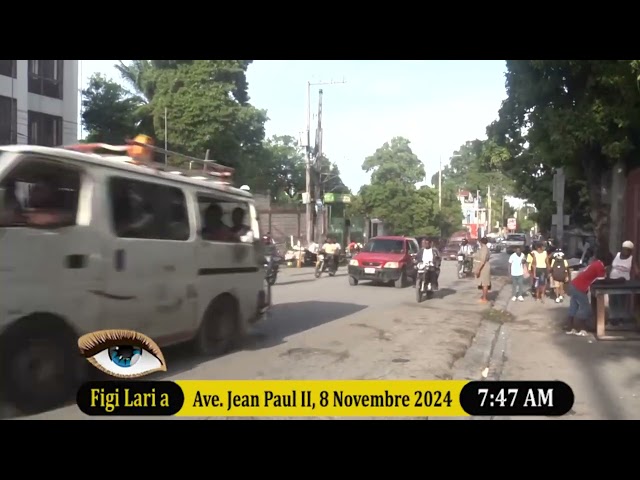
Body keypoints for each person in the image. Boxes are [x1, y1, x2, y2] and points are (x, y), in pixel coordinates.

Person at [565, 252, 613, 336]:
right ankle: (581, 329)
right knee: (585, 308)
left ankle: (569, 327)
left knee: (574, 306)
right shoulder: (600, 267)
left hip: (574, 285)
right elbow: (602, 281)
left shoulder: (596, 263)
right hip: (579, 287)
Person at [608, 240, 638, 321]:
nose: (626, 251)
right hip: (613, 280)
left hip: (623, 283)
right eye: (624, 249)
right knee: (612, 300)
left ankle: (621, 318)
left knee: (621, 300)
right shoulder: (617, 255)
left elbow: (636, 271)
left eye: (628, 250)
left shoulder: (631, 259)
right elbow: (610, 266)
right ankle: (612, 317)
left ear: (630, 251)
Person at [473, 237, 491, 303]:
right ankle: (483, 297)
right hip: (483, 267)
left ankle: (484, 298)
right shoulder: (484, 248)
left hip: (484, 267)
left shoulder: (484, 249)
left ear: (481, 242)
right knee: (483, 283)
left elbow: (483, 261)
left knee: (485, 283)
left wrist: (478, 269)